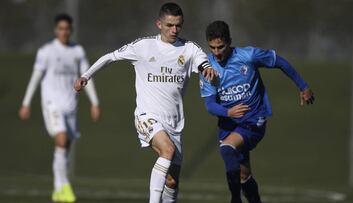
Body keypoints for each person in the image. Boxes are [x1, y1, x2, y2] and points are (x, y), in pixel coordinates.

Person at [74, 2, 216, 203]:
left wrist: (207, 69)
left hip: (175, 123)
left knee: (172, 181)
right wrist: (86, 76)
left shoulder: (189, 49)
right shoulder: (143, 46)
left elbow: (203, 62)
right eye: (169, 25)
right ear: (159, 24)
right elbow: (110, 57)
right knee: (167, 151)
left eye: (178, 25)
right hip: (147, 117)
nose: (174, 30)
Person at [200, 21, 315, 203]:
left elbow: (280, 62)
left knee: (227, 148)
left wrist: (303, 86)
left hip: (253, 119)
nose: (216, 52)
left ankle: (235, 199)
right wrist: (228, 112)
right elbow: (209, 104)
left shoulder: (248, 56)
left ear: (229, 41)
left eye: (220, 47)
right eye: (212, 47)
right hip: (229, 122)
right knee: (244, 175)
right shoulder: (207, 67)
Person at [18, 13, 101, 203]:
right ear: (56, 30)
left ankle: (58, 191)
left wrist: (95, 103)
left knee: (65, 147)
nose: (64, 32)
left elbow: (86, 76)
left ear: (71, 30)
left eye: (67, 29)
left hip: (70, 105)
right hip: (52, 104)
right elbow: (35, 78)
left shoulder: (77, 51)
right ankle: (62, 187)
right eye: (61, 29)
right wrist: (26, 102)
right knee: (61, 140)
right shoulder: (46, 51)